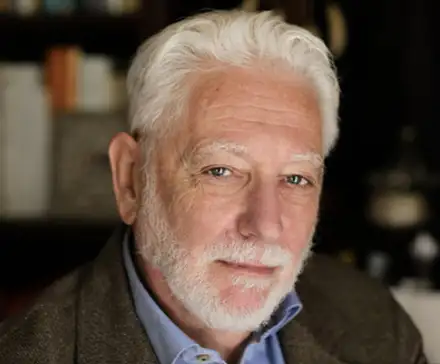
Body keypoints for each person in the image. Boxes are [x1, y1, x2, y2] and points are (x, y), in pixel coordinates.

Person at [0, 10, 427, 364]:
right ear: (130, 179)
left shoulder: (379, 328)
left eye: (296, 178)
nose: (265, 225)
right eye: (221, 171)